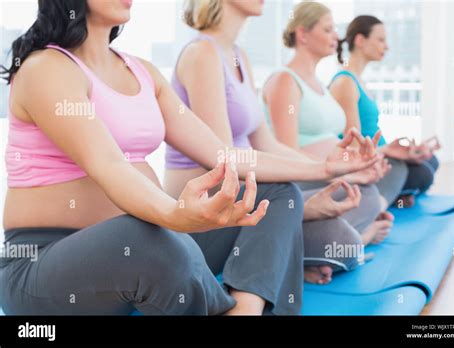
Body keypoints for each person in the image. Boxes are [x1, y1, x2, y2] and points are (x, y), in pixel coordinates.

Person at [0, 0, 308, 316]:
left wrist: (325, 168)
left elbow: (222, 155)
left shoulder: (141, 71)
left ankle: (245, 311)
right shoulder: (45, 69)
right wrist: (173, 214)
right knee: (145, 235)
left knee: (277, 193)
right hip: (44, 265)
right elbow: (109, 165)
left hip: (148, 246)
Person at [165, 0, 382, 285]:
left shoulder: (238, 55)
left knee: (363, 195)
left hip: (249, 193)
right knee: (340, 240)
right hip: (213, 208)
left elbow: (267, 143)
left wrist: (337, 169)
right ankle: (296, 247)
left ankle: (287, 249)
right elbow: (223, 165)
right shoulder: (201, 54)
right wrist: (312, 194)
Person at [263, 1, 400, 246]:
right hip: (300, 176)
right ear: (303, 34)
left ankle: (342, 237)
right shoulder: (285, 80)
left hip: (326, 172)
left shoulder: (319, 84)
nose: (336, 36)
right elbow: (286, 152)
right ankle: (356, 238)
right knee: (366, 195)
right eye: (327, 30)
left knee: (388, 175)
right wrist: (337, 173)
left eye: (334, 29)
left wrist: (356, 168)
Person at [330, 15, 440, 205]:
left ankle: (397, 192)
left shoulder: (358, 80)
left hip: (380, 153)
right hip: (368, 159)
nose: (386, 46)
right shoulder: (345, 82)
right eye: (380, 40)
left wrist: (406, 151)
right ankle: (391, 195)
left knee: (431, 161)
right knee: (423, 174)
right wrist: (387, 152)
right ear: (360, 40)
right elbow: (353, 147)